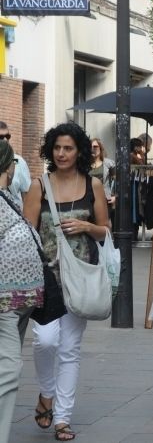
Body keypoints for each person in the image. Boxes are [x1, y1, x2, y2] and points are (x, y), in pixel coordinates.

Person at [23, 122, 111, 441]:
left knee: (70, 349)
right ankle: (47, 392)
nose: (62, 153)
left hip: (81, 277)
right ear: (51, 149)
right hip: (46, 279)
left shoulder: (93, 186)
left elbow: (106, 230)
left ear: (79, 151)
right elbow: (27, 234)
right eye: (57, 148)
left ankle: (62, 417)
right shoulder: (38, 186)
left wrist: (86, 226)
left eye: (68, 148)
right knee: (46, 341)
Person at [0, 139, 43, 443]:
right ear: (9, 167)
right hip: (6, 300)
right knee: (10, 367)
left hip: (16, 301)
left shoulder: (6, 197)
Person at [0, 121, 31, 208]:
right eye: (1, 137)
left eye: (7, 136)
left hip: (15, 213)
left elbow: (26, 193)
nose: (5, 140)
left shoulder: (17, 160)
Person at [89, 138, 115, 214]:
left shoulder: (109, 163)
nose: (92, 149)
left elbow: (117, 180)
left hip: (104, 198)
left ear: (100, 148)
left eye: (95, 146)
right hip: (89, 198)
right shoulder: (85, 164)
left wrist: (114, 196)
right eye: (90, 147)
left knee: (105, 223)